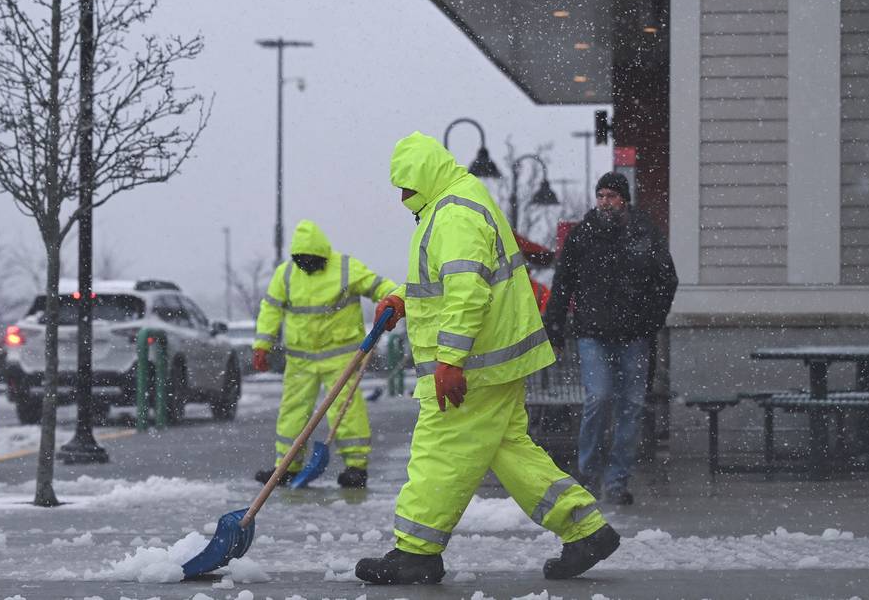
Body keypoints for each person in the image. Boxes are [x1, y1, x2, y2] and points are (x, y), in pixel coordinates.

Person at [355, 132, 620, 585]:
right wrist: (401, 300)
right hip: (490, 361)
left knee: (439, 450)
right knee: (510, 450)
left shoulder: (454, 214)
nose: (402, 197)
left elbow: (467, 293)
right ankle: (586, 530)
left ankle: (416, 552)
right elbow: (444, 285)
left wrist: (450, 361)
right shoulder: (456, 204)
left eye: (406, 185)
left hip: (472, 365)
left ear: (425, 176)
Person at [543, 171, 678, 506]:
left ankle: (617, 481)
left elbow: (666, 280)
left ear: (624, 199)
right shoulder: (582, 236)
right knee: (599, 400)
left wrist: (651, 320)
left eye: (611, 196)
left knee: (630, 408)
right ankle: (588, 476)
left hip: (634, 334)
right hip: (592, 333)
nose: (605, 202)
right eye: (600, 196)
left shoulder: (645, 234)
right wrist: (555, 329)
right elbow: (562, 285)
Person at [253, 219, 398, 488]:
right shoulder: (286, 275)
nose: (307, 265)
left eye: (312, 260)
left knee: (345, 410)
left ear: (322, 254)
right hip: (300, 359)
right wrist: (262, 344)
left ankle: (356, 467)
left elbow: (378, 285)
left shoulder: (344, 268)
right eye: (302, 260)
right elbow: (270, 309)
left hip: (341, 357)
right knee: (293, 412)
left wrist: (392, 300)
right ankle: (286, 466)